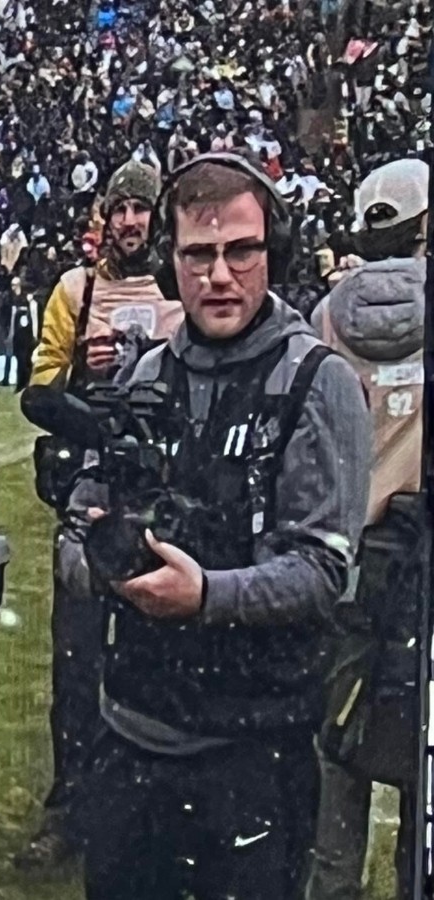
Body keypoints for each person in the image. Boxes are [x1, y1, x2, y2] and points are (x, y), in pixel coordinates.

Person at [73, 153, 371, 900]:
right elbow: (83, 525)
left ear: (275, 253)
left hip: (252, 754)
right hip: (130, 735)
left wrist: (207, 594)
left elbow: (324, 569)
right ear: (171, 266)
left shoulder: (317, 382)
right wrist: (98, 550)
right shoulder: (142, 380)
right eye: (198, 255)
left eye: (241, 250)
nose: (220, 274)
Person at [14, 159, 182, 870]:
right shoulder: (76, 292)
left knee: (160, 660)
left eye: (142, 210)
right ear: (104, 216)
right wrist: (87, 376)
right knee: (77, 666)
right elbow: (41, 387)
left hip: (165, 496)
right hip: (90, 494)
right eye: (121, 209)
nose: (131, 222)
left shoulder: (181, 287)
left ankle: (152, 809)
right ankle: (71, 808)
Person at [304, 158, 428, 900]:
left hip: (350, 553)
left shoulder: (325, 314)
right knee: (425, 755)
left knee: (336, 754)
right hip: (421, 556)